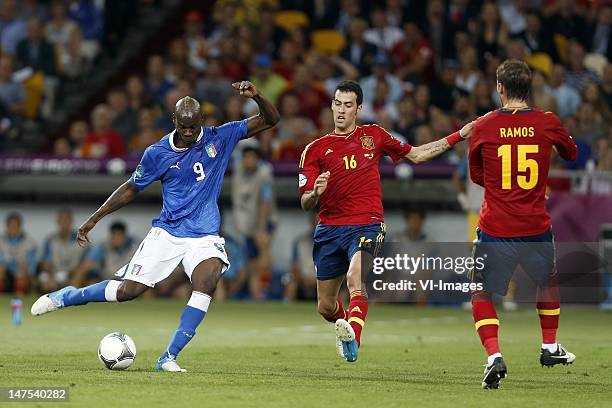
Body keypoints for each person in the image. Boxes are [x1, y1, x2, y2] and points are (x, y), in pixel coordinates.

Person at [31, 81, 280, 372]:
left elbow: (271, 120)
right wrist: (94, 218)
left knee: (208, 281)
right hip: (168, 233)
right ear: (174, 122)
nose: (189, 132)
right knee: (128, 292)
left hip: (204, 235)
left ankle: (169, 357)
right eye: (183, 127)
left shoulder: (220, 136)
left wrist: (258, 96)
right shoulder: (157, 153)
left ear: (201, 121)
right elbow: (130, 188)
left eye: (194, 127)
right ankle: (69, 296)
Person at [298, 80, 474, 363]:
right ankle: (344, 326)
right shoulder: (315, 150)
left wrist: (458, 136)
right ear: (331, 105)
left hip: (367, 223)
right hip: (329, 228)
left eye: (348, 105)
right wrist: (315, 193)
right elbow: (305, 202)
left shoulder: (374, 135)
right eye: (337, 104)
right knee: (325, 307)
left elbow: (416, 155)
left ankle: (353, 336)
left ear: (359, 108)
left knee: (356, 278)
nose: (341, 110)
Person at [468, 60, 578, 389]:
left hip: (496, 225)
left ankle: (494, 356)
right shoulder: (547, 121)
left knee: (481, 290)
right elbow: (570, 153)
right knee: (547, 280)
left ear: (500, 88)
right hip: (535, 224)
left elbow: (476, 175)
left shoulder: (486, 125)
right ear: (529, 89)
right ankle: (548, 346)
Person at [231, 145, 277, 300]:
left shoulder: (264, 174)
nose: (248, 160)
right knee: (252, 262)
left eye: (252, 157)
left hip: (263, 223)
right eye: (246, 157)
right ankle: (255, 295)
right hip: (248, 226)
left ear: (257, 159)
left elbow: (266, 201)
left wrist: (262, 228)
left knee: (263, 257)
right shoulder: (239, 170)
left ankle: (264, 291)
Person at [38, 208, 89, 292]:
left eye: (67, 219)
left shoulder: (82, 240)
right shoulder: (50, 240)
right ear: (58, 221)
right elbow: (46, 263)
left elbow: (84, 264)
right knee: (44, 279)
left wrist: (67, 274)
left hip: (73, 275)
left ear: (71, 221)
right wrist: (51, 277)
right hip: (54, 274)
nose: (64, 223)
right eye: (62, 219)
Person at [0, 212, 37, 293]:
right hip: (5, 273)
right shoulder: (1, 241)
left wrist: (24, 268)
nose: (13, 228)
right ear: (7, 226)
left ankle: (19, 299)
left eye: (15, 225)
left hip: (22, 274)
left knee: (21, 275)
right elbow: (1, 261)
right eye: (11, 225)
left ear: (20, 226)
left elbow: (32, 267)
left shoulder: (30, 242)